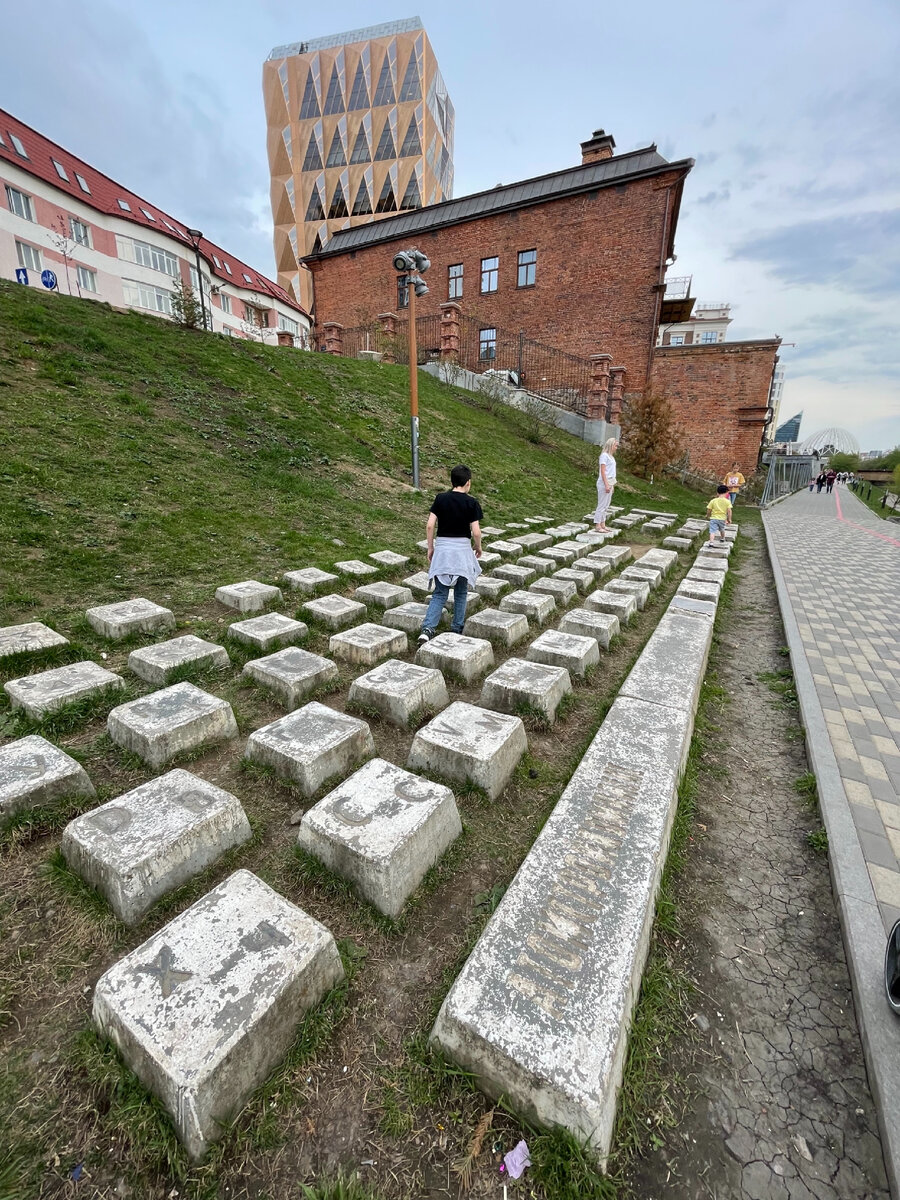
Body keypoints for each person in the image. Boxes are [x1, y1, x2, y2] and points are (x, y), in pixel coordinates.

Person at [418, 465, 483, 643]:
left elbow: (430, 525)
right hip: (462, 552)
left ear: (452, 481)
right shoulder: (472, 503)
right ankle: (456, 629)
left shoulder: (440, 498)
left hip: (443, 551)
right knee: (461, 593)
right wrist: (478, 547)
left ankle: (428, 629)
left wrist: (431, 547)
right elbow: (476, 532)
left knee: (440, 593)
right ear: (468, 483)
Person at [594, 437, 618, 532]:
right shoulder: (604, 456)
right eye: (615, 445)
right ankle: (597, 525)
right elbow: (603, 471)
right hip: (604, 482)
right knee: (601, 504)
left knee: (606, 505)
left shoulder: (611, 457)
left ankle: (603, 523)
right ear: (611, 445)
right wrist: (606, 484)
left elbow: (612, 472)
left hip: (610, 482)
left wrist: (612, 485)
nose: (616, 447)